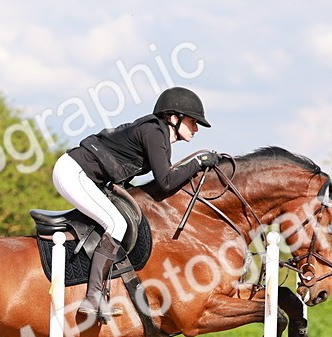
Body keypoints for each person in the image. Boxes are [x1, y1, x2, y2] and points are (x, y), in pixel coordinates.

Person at [52, 86, 219, 322]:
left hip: (82, 175)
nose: (196, 128)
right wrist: (198, 162)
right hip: (74, 172)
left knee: (115, 220)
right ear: (174, 118)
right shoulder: (154, 132)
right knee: (116, 224)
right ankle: (92, 297)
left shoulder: (158, 134)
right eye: (193, 121)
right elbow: (166, 181)